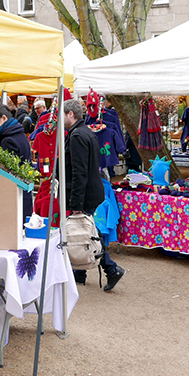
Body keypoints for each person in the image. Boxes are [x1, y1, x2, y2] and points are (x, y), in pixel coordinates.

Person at [63, 99, 125, 291]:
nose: (59, 119)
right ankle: (80, 272)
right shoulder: (84, 132)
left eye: (62, 115)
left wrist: (76, 202)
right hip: (89, 190)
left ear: (71, 114)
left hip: (84, 193)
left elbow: (79, 171)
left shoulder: (78, 135)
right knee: (87, 232)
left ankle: (111, 268)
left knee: (87, 233)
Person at [0, 103, 33, 216]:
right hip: (23, 194)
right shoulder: (18, 134)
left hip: (15, 196)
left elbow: (6, 173)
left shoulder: (8, 140)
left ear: (4, 118)